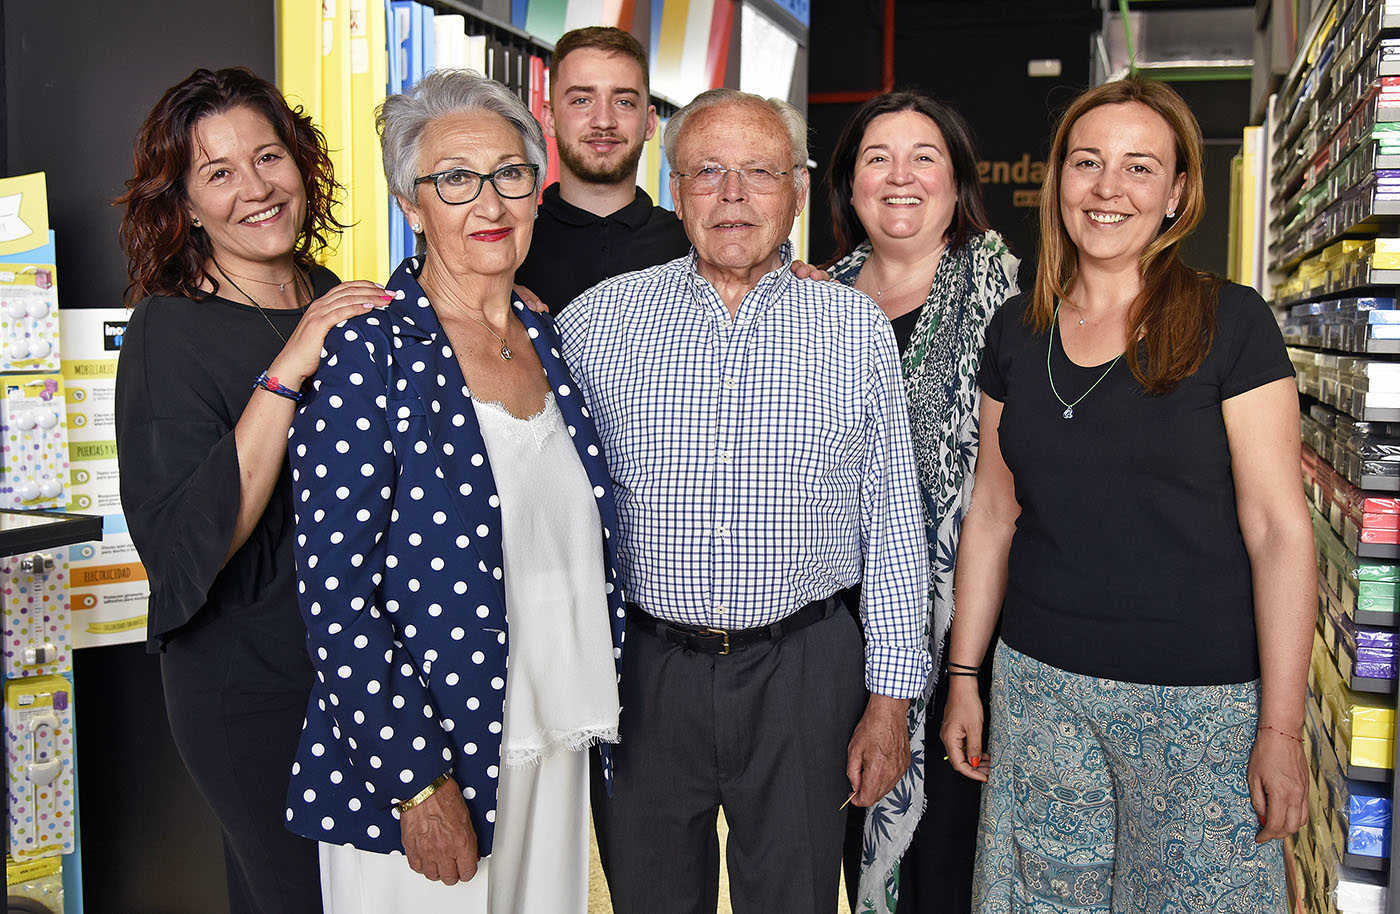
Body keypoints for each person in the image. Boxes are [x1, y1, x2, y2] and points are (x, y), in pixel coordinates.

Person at [939, 76, 1312, 912]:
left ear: (1178, 192)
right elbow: (993, 516)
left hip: (1201, 709)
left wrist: (1281, 730)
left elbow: (1280, 533)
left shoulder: (1232, 323)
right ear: (1058, 180)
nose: (1108, 189)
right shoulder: (1016, 330)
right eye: (1087, 162)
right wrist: (965, 672)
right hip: (1040, 694)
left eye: (1140, 168)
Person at [558, 87, 929, 914]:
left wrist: (890, 702)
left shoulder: (852, 328)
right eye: (709, 172)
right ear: (676, 188)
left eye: (760, 172)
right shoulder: (594, 325)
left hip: (804, 671)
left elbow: (894, 522)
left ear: (797, 191)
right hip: (642, 678)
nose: (733, 196)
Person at [281, 69, 626, 914]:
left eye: (510, 174)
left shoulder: (545, 335)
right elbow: (335, 595)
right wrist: (416, 784)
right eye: (455, 180)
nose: (490, 202)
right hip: (431, 764)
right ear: (412, 203)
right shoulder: (369, 349)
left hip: (553, 739)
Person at [115, 67, 390, 914]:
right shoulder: (168, 332)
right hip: (249, 687)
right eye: (219, 173)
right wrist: (284, 374)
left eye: (268, 157)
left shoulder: (337, 294)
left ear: (302, 164)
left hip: (357, 665)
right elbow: (186, 541)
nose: (257, 189)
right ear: (185, 205)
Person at [825, 90, 1019, 914]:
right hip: (833, 635)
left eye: (924, 157)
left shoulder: (1011, 298)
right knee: (849, 830)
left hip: (966, 634)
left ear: (958, 181)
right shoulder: (814, 299)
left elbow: (1002, 498)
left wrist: (965, 667)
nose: (900, 177)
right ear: (849, 184)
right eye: (878, 159)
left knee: (945, 869)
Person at [514, 26, 689, 312]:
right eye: (582, 100)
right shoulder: (508, 247)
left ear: (649, 122)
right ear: (549, 118)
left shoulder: (693, 246)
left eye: (624, 101)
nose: (604, 120)